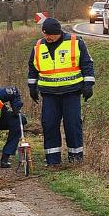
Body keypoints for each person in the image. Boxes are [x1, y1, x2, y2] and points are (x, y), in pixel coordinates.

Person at [27, 18, 95, 165]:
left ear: (58, 33)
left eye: (50, 35)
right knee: (49, 124)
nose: (48, 38)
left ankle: (75, 158)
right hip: (49, 94)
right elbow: (32, 69)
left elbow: (87, 64)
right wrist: (32, 87)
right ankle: (52, 160)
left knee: (73, 125)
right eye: (45, 34)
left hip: (71, 92)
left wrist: (88, 84)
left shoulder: (75, 42)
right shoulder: (38, 46)